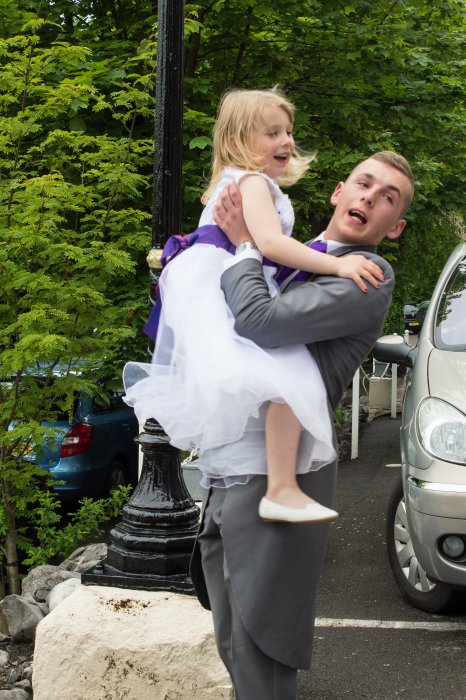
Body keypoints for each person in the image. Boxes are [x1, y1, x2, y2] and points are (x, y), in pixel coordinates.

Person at [190, 150, 414, 700]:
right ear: (339, 191)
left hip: (282, 472)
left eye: (387, 197)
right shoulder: (290, 252)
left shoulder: (367, 275)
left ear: (396, 227)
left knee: (261, 646)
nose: (369, 197)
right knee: (232, 641)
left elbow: (259, 321)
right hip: (229, 465)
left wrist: (244, 244)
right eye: (363, 184)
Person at [124, 87, 383, 524]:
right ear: (238, 140)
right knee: (288, 378)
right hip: (227, 283)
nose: (286, 141)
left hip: (219, 281)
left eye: (288, 131)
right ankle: (281, 488)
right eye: (272, 132)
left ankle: (278, 487)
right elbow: (271, 244)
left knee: (275, 384)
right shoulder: (253, 182)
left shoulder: (240, 182)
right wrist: (337, 265)